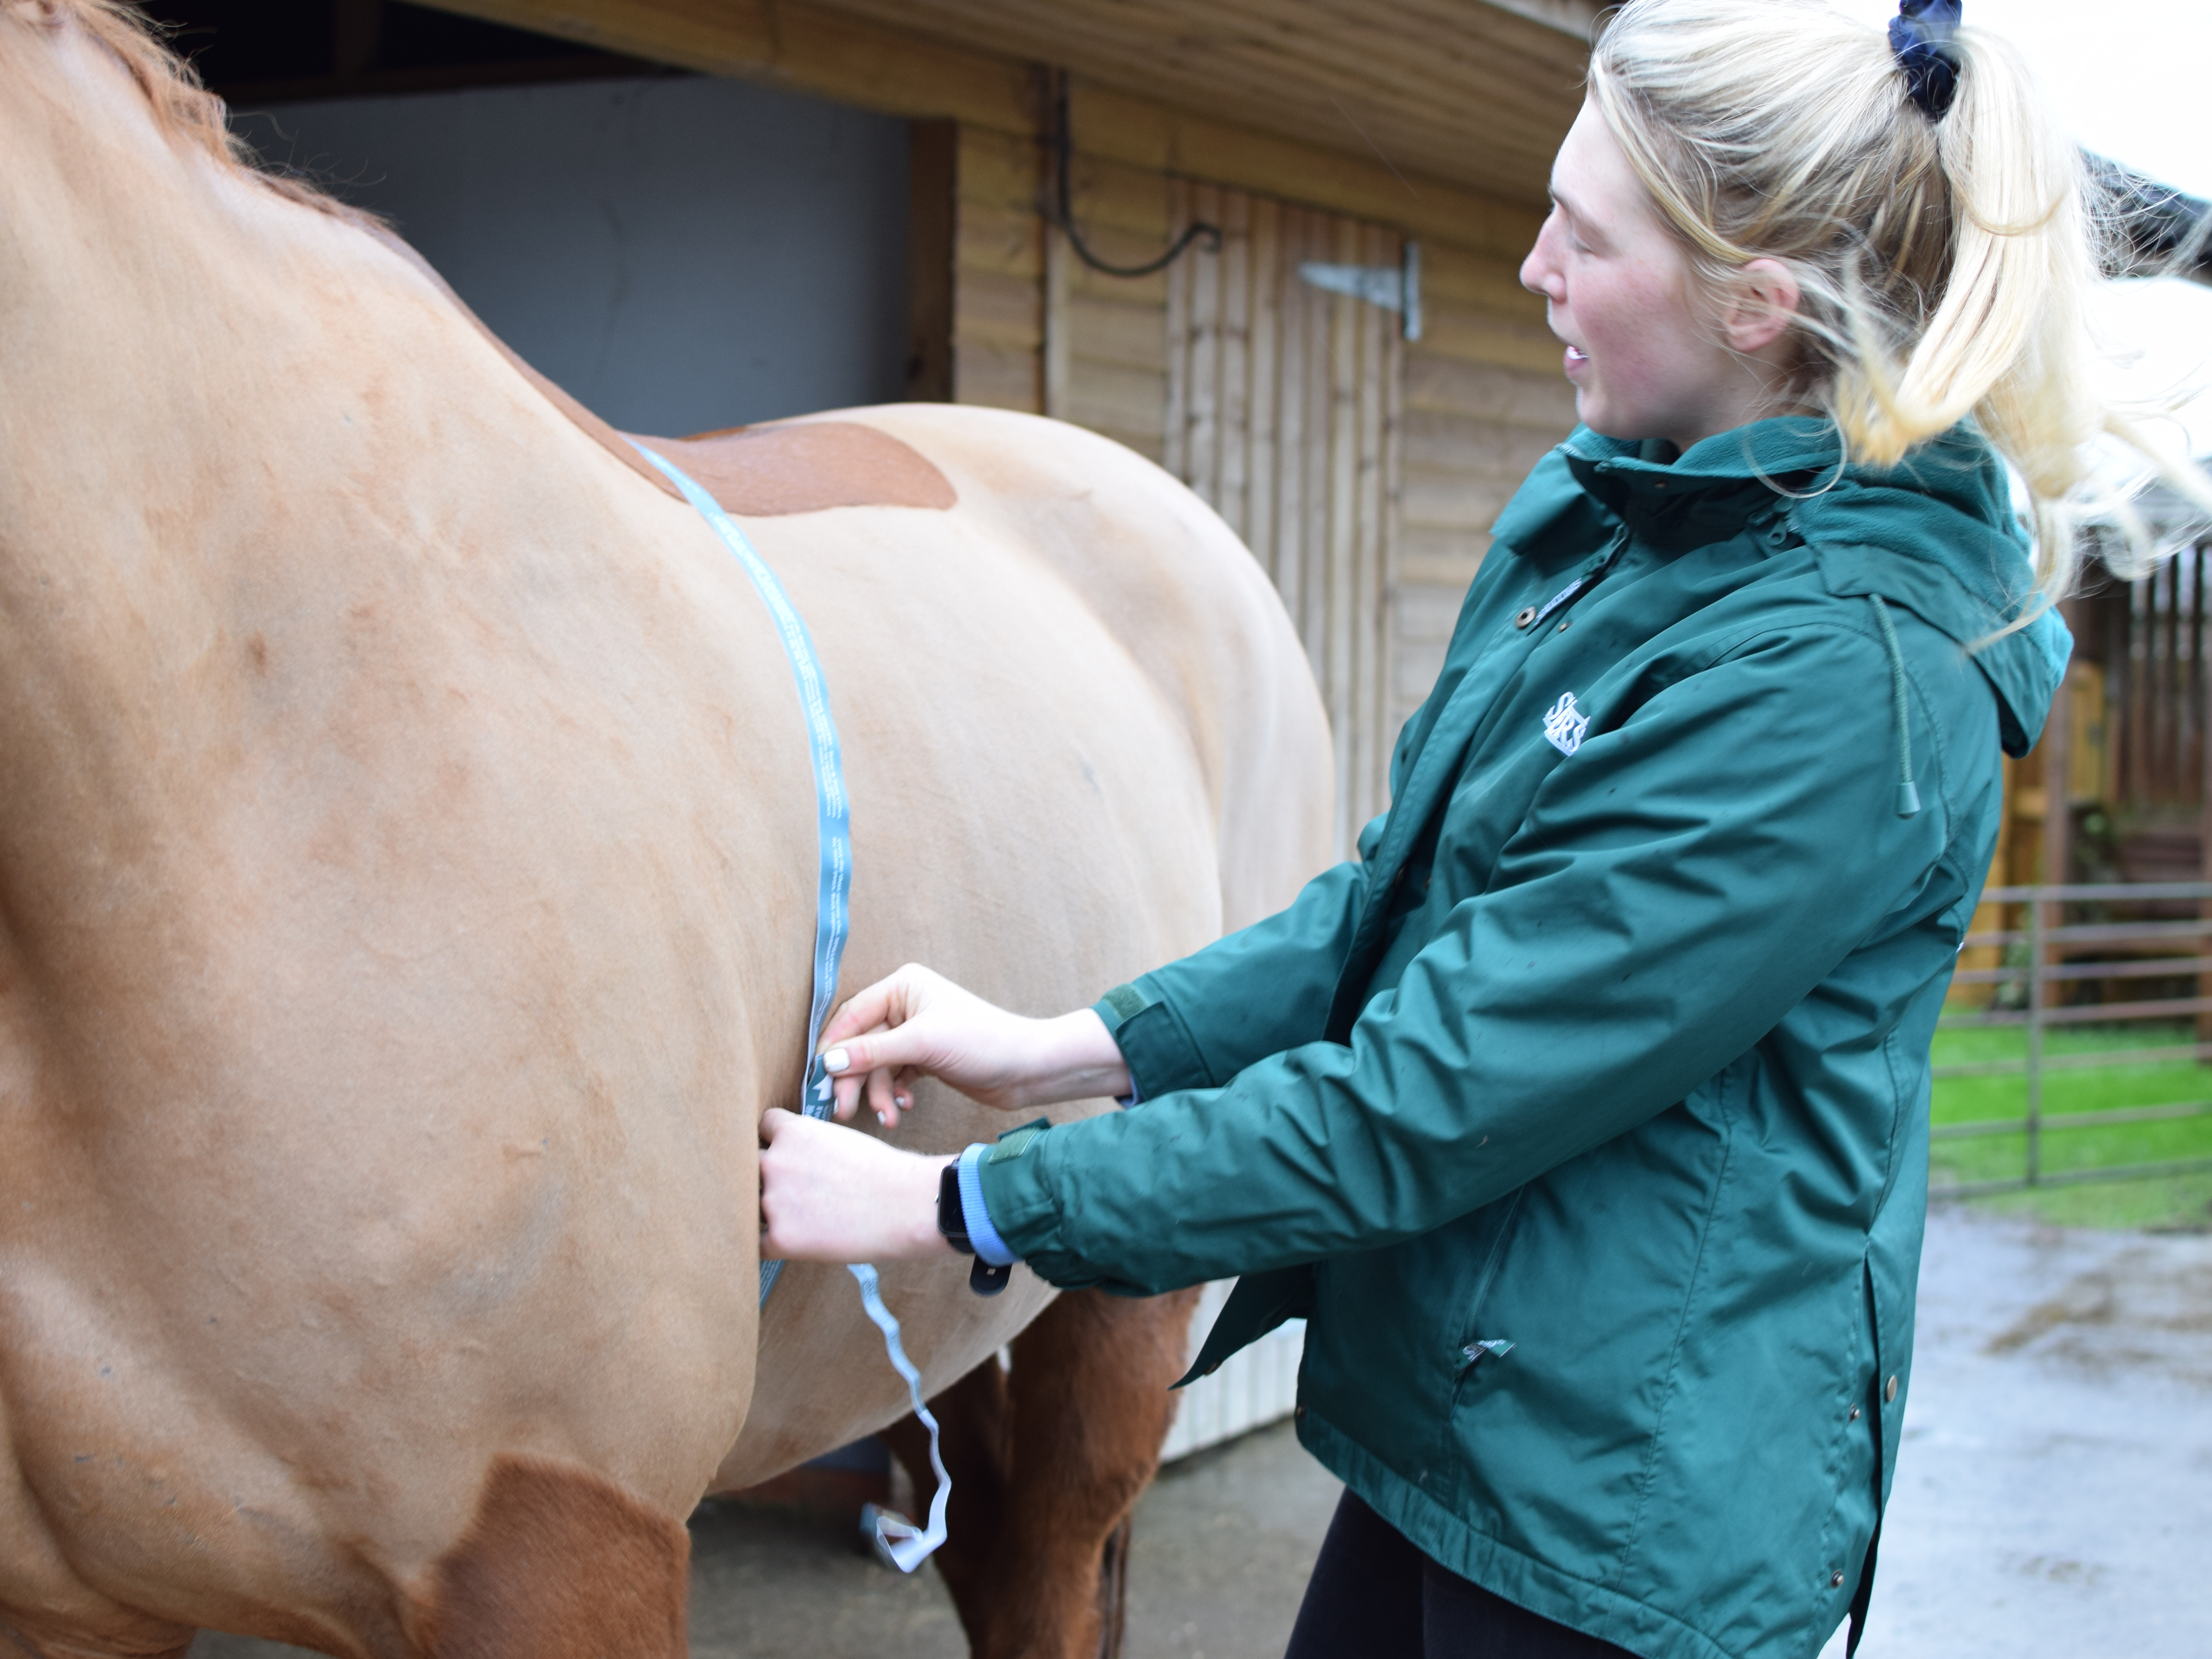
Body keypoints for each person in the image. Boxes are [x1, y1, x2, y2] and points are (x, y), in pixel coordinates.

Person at [757, 2, 2207, 1654]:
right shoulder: (1623, 517)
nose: (1534, 265)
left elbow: (1423, 1101)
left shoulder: (1836, 684)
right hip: (1466, 1415)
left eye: (1585, 234)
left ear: (1756, 303)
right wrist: (1061, 1046)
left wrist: (953, 1208)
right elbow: (1397, 908)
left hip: (1629, 1517)